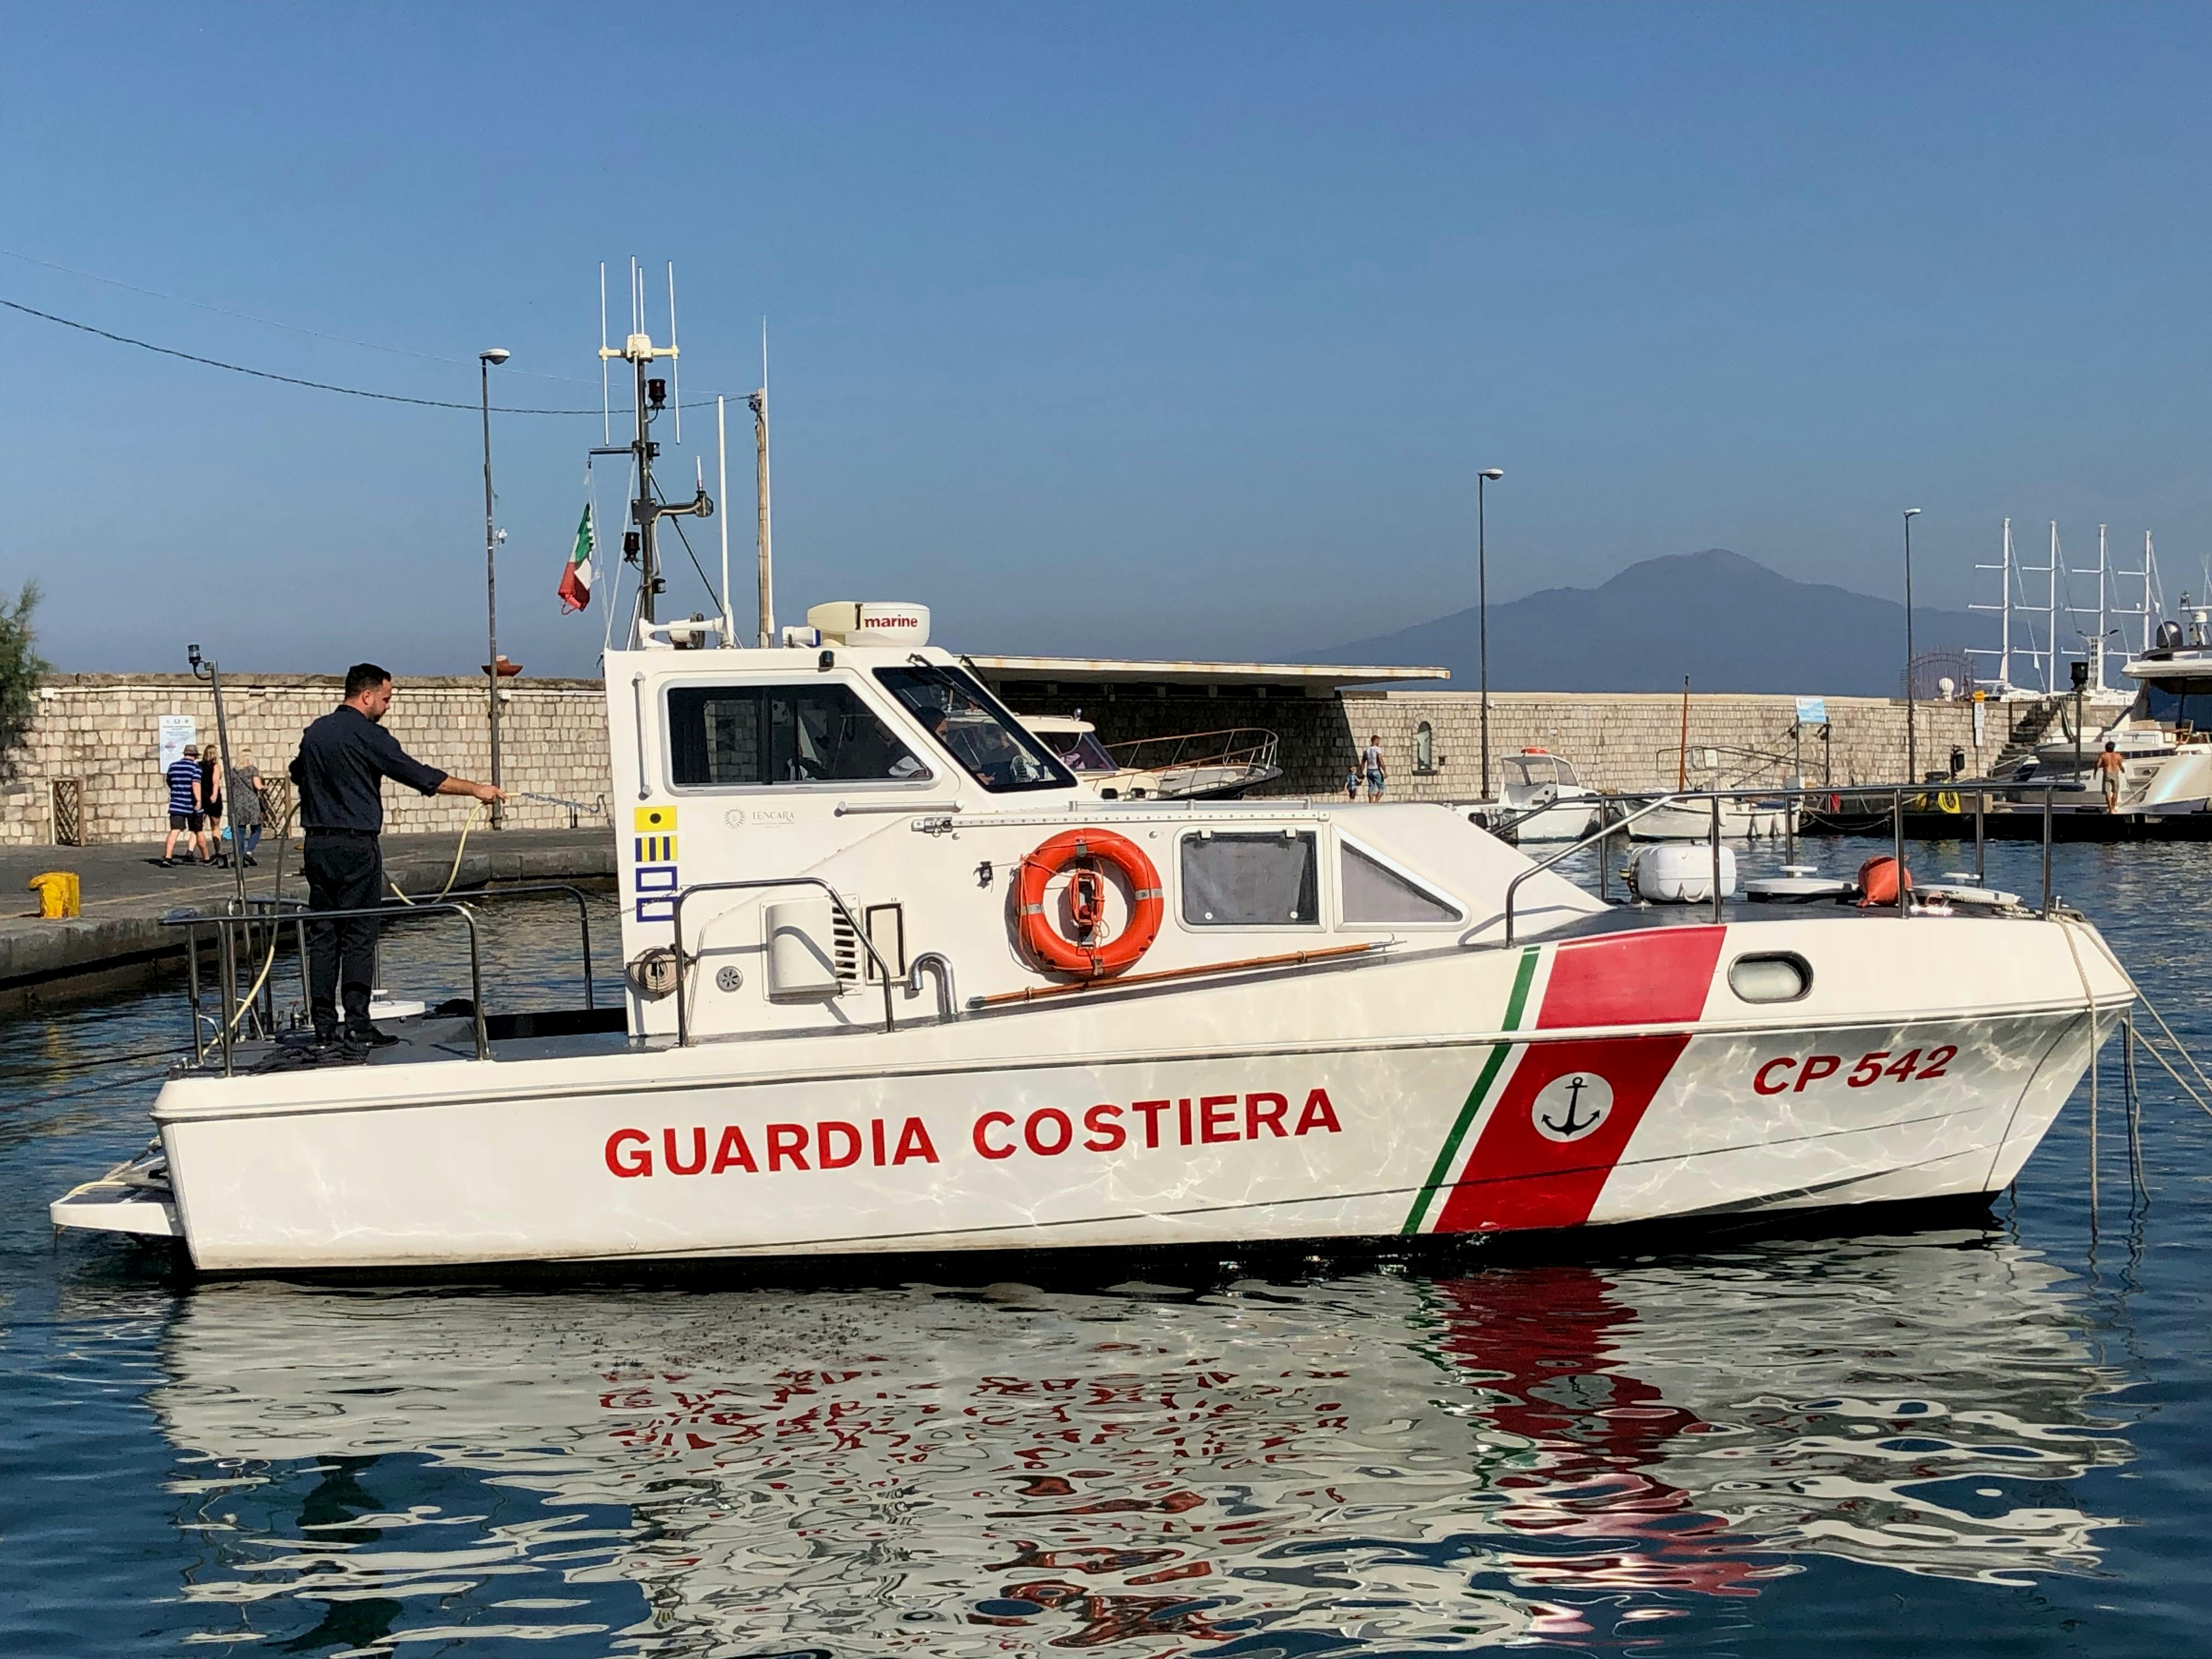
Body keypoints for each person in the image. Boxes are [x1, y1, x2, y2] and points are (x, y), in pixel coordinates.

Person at [291, 662, 503, 1052]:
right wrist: (476, 789)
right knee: (358, 936)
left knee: (324, 937)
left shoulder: (316, 732)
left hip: (317, 845)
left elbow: (297, 773)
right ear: (367, 696)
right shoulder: (369, 735)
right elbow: (418, 775)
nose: (388, 706)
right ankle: (357, 1025)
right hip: (356, 845)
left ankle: (323, 1028)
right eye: (386, 699)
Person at [160, 743, 205, 867]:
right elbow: (196, 784)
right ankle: (203, 856)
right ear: (195, 756)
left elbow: (169, 782)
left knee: (175, 830)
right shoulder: (196, 768)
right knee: (197, 830)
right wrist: (199, 800)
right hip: (190, 804)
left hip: (176, 803)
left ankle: (168, 857)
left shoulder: (173, 766)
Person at [222, 761, 266, 867]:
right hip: (251, 803)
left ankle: (240, 857)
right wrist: (265, 787)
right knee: (257, 828)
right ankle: (249, 851)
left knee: (240, 830)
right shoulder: (252, 770)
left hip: (237, 803)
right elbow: (258, 786)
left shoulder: (233, 772)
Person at [198, 751, 224, 864]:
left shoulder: (198, 766)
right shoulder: (216, 766)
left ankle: (190, 851)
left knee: (198, 828)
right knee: (215, 827)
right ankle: (218, 852)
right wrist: (214, 795)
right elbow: (215, 781)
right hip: (213, 799)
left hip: (201, 797)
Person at [2096, 740, 2125, 814]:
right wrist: (2123, 770)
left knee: (2107, 792)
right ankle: (2113, 807)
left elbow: (2098, 764)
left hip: (2107, 773)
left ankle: (2110, 809)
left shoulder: (2103, 755)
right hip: (2115, 773)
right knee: (2115, 792)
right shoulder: (2118, 755)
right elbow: (2120, 765)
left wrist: (2095, 772)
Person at [1361, 733, 1386, 803]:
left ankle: (1371, 802)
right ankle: (1376, 802)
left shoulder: (1367, 750)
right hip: (1376, 770)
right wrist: (1385, 771)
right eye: (1378, 741)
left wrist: (1361, 772)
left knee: (1371, 787)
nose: (1379, 742)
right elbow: (1380, 760)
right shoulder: (1377, 749)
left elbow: (1363, 761)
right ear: (1375, 741)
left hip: (1369, 770)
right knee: (1382, 787)